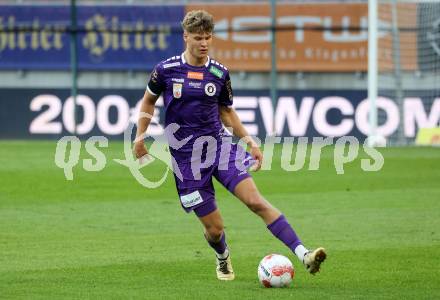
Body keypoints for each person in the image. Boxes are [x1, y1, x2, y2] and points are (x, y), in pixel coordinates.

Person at [134, 10, 326, 281]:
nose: (203, 43)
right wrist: (139, 137)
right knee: (214, 230)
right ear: (185, 36)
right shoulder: (165, 70)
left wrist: (250, 143)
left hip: (220, 148)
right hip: (187, 161)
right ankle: (222, 257)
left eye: (208, 37)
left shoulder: (219, 73)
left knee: (255, 201)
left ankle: (303, 254)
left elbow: (226, 112)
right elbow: (148, 101)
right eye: (198, 37)